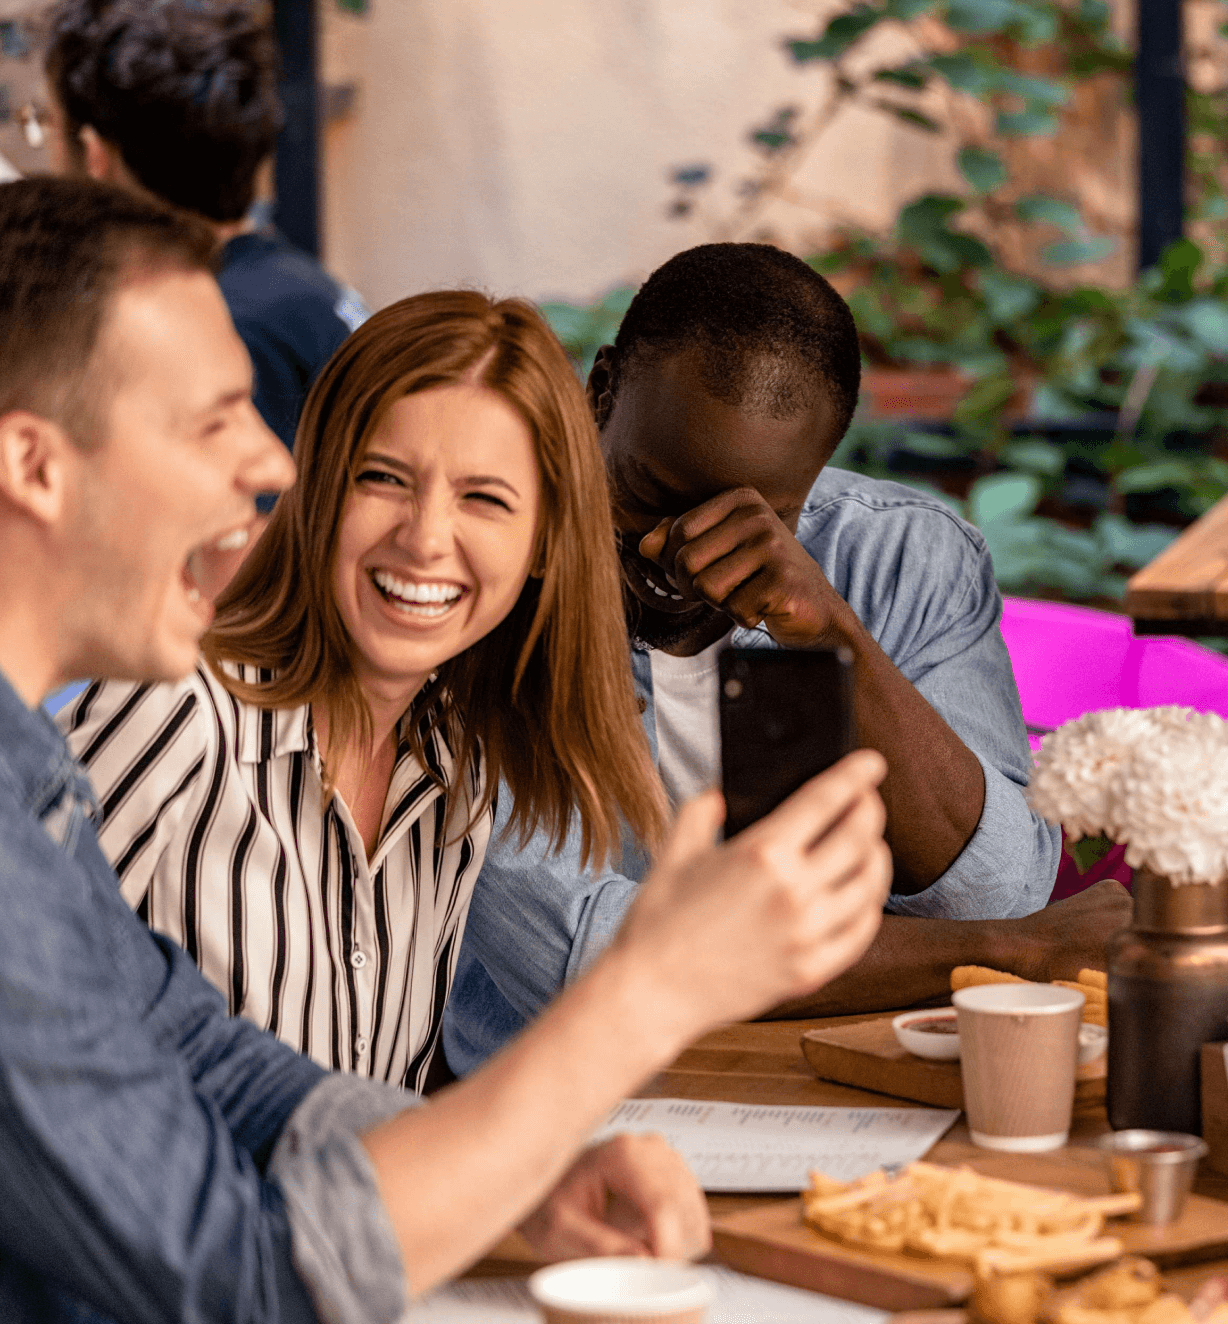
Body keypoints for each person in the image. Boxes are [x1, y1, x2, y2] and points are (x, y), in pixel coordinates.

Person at [0, 176, 892, 1322]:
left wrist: (517, 1178)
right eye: (212, 418)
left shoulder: (37, 779)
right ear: (33, 465)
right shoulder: (141, 732)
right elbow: (240, 1274)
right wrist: (651, 990)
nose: (265, 466)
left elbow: (196, 1053)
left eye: (487, 499)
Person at [443, 242, 1132, 1076]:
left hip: (846, 1078)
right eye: (650, 496)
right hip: (564, 1108)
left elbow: (995, 887)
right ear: (601, 389)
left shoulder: (902, 558)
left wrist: (833, 637)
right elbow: (592, 963)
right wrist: (1002, 952)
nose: (680, 555)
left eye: (753, 519)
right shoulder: (480, 584)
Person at [61, 286, 665, 1094]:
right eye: (382, 478)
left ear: (545, 544)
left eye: (483, 498)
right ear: (317, 494)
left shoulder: (462, 765)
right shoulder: (174, 710)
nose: (424, 539)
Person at [43, 0, 367, 582]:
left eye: (45, 128)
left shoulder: (226, 326)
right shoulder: (290, 283)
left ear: (95, 156)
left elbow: (239, 562)